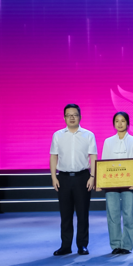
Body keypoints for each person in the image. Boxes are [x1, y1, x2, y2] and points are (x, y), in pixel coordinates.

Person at [50, 104, 97, 256]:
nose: (72, 117)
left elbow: (93, 157)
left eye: (75, 115)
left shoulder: (88, 135)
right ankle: (65, 246)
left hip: (82, 177)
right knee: (65, 214)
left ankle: (82, 245)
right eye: (68, 115)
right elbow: (53, 156)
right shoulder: (58, 135)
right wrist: (53, 177)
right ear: (64, 117)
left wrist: (92, 177)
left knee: (82, 214)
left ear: (80, 117)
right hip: (63, 178)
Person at [98, 112, 133, 254]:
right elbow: (104, 163)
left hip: (128, 183)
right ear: (114, 123)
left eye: (123, 121)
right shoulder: (108, 141)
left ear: (127, 123)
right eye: (117, 121)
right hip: (111, 183)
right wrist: (101, 182)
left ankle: (126, 245)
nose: (120, 124)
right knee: (113, 214)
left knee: (128, 214)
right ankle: (116, 244)